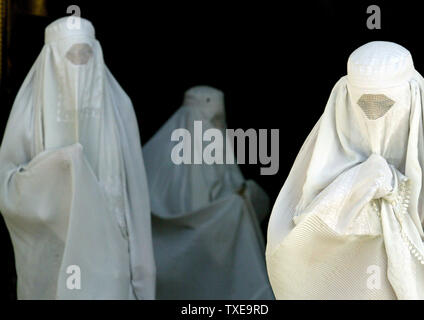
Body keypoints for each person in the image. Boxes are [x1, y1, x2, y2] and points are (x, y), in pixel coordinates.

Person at [266, 41, 424, 300]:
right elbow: (291, 255)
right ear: (346, 99)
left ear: (414, 98)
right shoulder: (320, 170)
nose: (375, 119)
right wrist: (352, 191)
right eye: (364, 106)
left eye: (386, 106)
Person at [0, 17, 156, 299]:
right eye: (71, 56)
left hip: (112, 260)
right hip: (53, 261)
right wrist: (57, 168)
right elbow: (8, 190)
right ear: (52, 61)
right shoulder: (28, 111)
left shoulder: (120, 109)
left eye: (86, 55)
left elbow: (137, 198)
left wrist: (143, 277)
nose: (80, 65)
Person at [143, 86, 273, 299]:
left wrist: (243, 197)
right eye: (211, 121)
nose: (215, 128)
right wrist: (234, 204)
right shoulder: (164, 156)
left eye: (218, 121)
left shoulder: (215, 150)